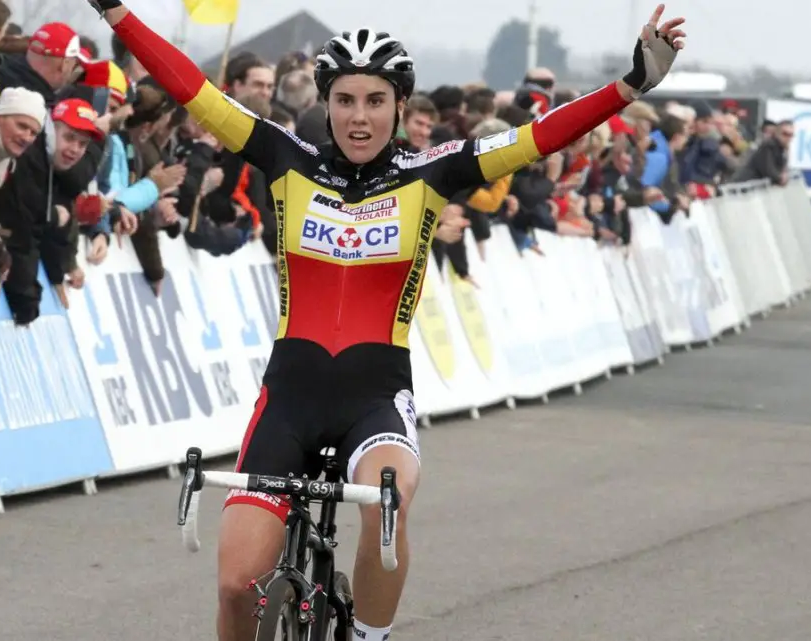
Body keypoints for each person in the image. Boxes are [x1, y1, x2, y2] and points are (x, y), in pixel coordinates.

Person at [86, 2, 686, 640]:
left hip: (375, 399)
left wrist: (630, 85)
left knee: (387, 503)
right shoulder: (286, 158)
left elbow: (539, 137)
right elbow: (191, 88)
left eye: (376, 100)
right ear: (326, 103)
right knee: (236, 587)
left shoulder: (433, 172)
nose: (359, 117)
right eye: (344, 100)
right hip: (289, 398)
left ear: (400, 105)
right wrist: (117, 11)